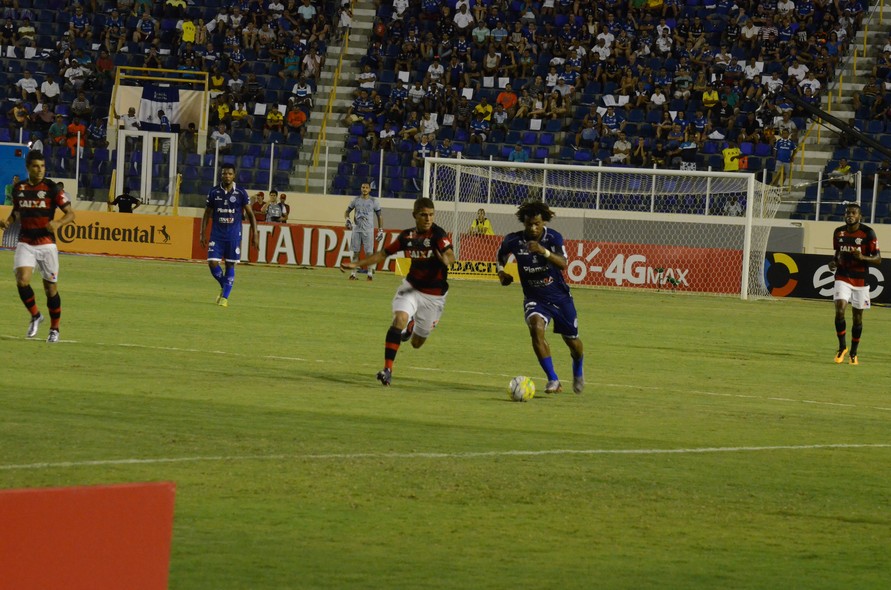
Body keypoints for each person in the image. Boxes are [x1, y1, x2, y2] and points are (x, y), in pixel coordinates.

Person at [340, 197, 455, 386]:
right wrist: (357, 264)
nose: (428, 219)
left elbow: (450, 253)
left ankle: (412, 326)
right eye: (423, 215)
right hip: (410, 287)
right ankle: (387, 370)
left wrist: (446, 259)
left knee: (417, 344)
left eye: (431, 215)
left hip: (434, 296)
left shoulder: (437, 235)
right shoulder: (406, 237)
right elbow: (382, 254)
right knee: (399, 318)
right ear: (414, 216)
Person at [496, 201, 584, 394]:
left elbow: (563, 264)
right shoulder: (513, 240)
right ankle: (553, 379)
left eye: (537, 223)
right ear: (524, 223)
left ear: (543, 222)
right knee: (536, 329)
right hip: (534, 298)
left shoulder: (553, 237)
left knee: (573, 342)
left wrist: (543, 251)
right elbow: (500, 255)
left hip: (560, 298)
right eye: (529, 224)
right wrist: (501, 272)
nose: (533, 228)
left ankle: (578, 367)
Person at [0, 150, 75, 343]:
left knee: (50, 289)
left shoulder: (51, 188)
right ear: (28, 168)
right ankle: (35, 315)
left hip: (47, 244)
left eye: (42, 166)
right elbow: (17, 211)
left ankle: (54, 328)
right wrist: (8, 222)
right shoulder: (19, 188)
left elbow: (70, 214)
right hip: (25, 241)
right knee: (22, 280)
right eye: (35, 166)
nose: (40, 170)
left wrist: (58, 223)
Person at [199, 164, 259, 307]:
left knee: (230, 264)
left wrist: (254, 234)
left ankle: (224, 298)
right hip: (217, 235)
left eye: (230, 174)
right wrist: (202, 233)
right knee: (212, 262)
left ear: (234, 175)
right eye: (224, 174)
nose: (227, 176)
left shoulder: (240, 192)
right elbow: (207, 213)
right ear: (221, 175)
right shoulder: (214, 192)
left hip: (233, 235)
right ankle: (225, 285)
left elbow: (250, 214)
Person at [829, 202, 881, 365]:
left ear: (859, 216)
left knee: (857, 318)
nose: (850, 215)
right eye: (847, 213)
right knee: (840, 309)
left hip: (861, 280)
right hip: (842, 276)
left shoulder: (868, 233)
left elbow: (878, 258)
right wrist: (834, 263)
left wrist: (863, 258)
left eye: (853, 213)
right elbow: (837, 253)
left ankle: (853, 352)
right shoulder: (838, 232)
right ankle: (842, 347)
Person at [344, 181, 384, 281]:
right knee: (356, 252)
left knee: (369, 253)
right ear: (361, 188)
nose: (364, 189)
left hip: (368, 230)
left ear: (370, 189)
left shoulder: (374, 201)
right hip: (357, 229)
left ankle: (370, 274)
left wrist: (380, 229)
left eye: (366, 187)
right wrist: (347, 219)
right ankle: (353, 274)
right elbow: (347, 211)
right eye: (363, 187)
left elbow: (379, 216)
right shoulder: (355, 200)